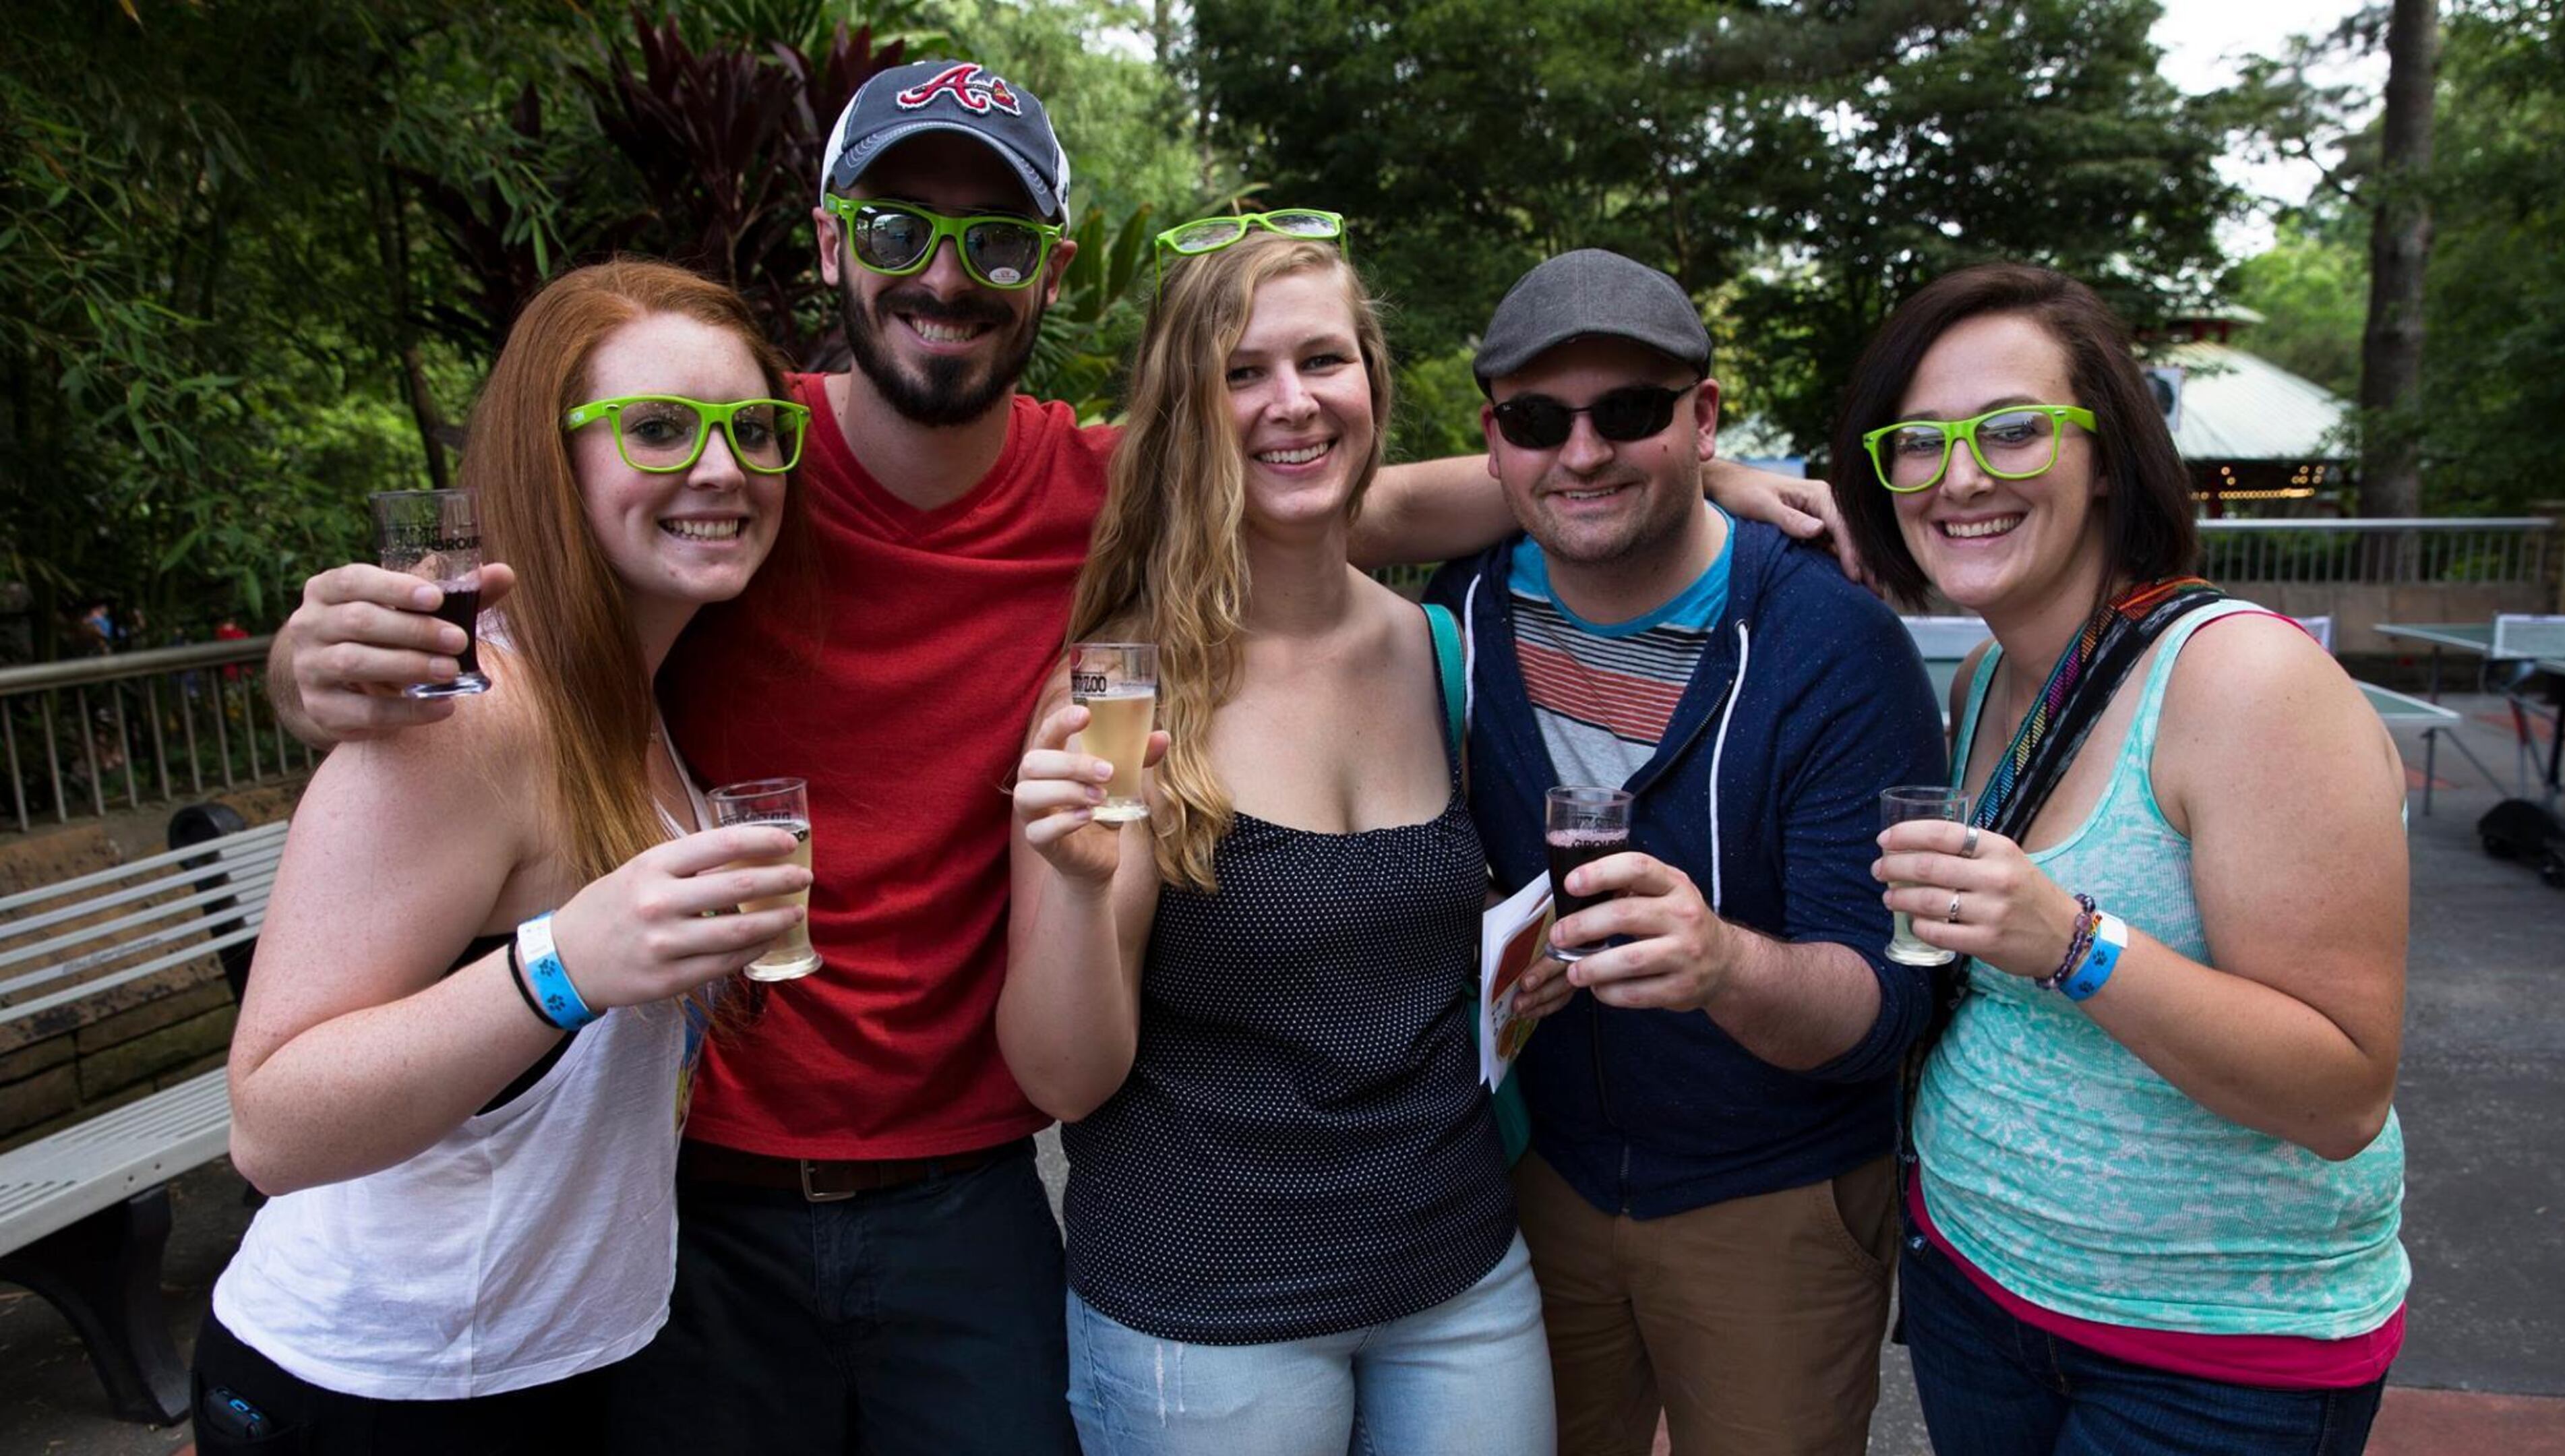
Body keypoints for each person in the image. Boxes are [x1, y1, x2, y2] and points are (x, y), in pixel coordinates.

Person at [261, 61, 1852, 1454]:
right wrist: (320, 653)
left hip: (967, 1194)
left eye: (995, 241)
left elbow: (1340, 489)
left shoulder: (1098, 492)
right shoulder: (738, 466)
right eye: (896, 231)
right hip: (694, 1192)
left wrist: (1675, 473)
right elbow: (515, 614)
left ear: (1048, 274)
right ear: (831, 250)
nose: (944, 278)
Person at [195, 258, 814, 1452]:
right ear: (553, 458)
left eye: (752, 428)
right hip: (380, 1388)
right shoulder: (462, 718)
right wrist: (562, 965)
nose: (723, 467)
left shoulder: (634, 704)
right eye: (656, 429)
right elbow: (271, 1127)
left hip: (559, 1364)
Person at [1835, 262, 2408, 1455]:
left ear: (2107, 455)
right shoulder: (1989, 679)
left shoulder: (2243, 683)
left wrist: (2074, 944)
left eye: (2012, 430)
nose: (1962, 475)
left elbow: (2344, 1094)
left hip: (2206, 1359)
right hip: (1977, 1296)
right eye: (1920, 442)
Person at [1004, 224, 1554, 1454]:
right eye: (1240, 372)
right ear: (1185, 411)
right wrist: (1077, 892)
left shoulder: (1438, 647)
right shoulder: (1120, 694)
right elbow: (1062, 1079)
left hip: (1458, 1273)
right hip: (1207, 1311)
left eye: (1323, 360)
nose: (1290, 403)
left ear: (1373, 383)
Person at [1424, 249, 1945, 1456]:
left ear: (1705, 418)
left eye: (1633, 411)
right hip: (1527, 1184)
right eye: (1540, 420)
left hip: (1772, 1202)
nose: (1585, 451)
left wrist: (1721, 965)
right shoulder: (1453, 626)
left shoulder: (1830, 646)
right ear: (1494, 442)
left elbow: (1885, 1008)